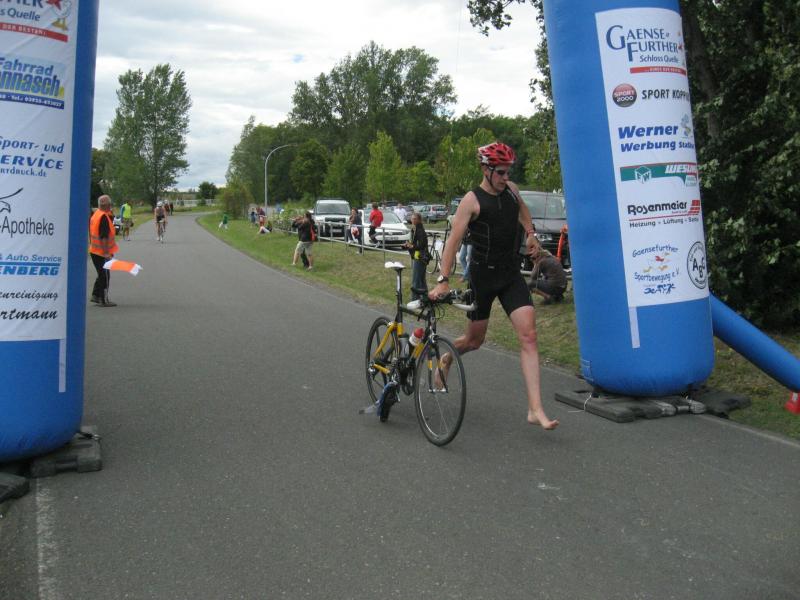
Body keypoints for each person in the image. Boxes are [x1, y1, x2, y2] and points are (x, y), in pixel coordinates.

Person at [428, 141, 559, 430]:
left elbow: (523, 211)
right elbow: (453, 243)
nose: (505, 177)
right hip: (482, 277)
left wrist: (530, 233)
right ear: (485, 170)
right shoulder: (471, 201)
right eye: (500, 172)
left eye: (508, 171)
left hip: (510, 274)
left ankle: (535, 408)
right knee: (474, 341)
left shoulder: (511, 190)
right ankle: (448, 357)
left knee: (529, 336)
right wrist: (443, 280)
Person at [89, 195, 119, 307]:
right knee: (105, 276)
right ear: (107, 205)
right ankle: (103, 300)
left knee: (101, 274)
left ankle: (96, 295)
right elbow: (104, 237)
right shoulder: (103, 217)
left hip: (94, 250)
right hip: (101, 252)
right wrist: (106, 253)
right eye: (110, 204)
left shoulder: (96, 214)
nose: (111, 206)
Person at [404, 212, 429, 300]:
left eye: (415, 219)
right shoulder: (414, 229)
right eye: (412, 218)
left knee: (416, 280)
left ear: (419, 220)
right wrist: (408, 245)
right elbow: (414, 243)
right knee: (421, 280)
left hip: (420, 257)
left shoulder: (420, 230)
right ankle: (425, 299)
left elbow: (422, 245)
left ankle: (414, 299)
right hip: (418, 256)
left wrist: (412, 246)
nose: (413, 220)